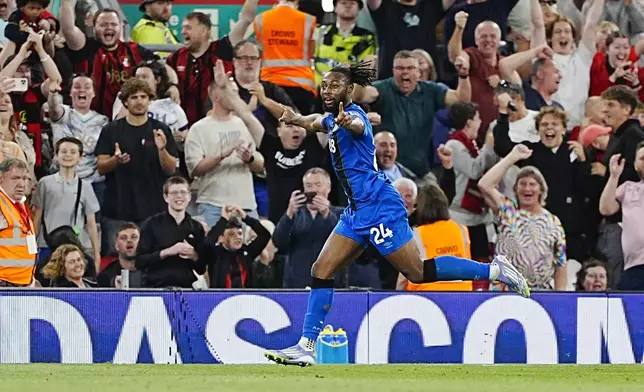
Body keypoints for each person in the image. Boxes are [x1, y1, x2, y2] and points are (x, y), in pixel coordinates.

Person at [254, 60, 529, 366]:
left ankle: (493, 270)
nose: (327, 90)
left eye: (335, 85)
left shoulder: (355, 117)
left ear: (350, 90)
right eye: (325, 85)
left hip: (380, 207)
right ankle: (306, 347)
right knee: (321, 270)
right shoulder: (332, 121)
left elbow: (357, 126)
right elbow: (314, 121)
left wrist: (346, 122)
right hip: (357, 212)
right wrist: (294, 117)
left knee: (417, 273)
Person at [135, 176, 207, 288]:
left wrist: (194, 255)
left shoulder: (197, 228)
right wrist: (168, 252)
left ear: (189, 196)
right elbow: (139, 262)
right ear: (166, 197)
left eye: (183, 192)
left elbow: (201, 269)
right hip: (156, 288)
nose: (179, 196)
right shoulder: (151, 224)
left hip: (185, 289)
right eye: (174, 193)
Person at [0, 158, 36, 286]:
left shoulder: (20, 204)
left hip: (22, 283)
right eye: (15, 178)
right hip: (4, 283)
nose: (21, 184)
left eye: (25, 178)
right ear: (1, 179)